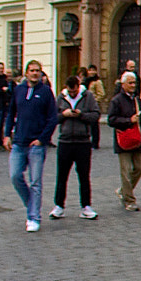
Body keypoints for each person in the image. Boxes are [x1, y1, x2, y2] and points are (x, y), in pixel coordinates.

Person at [4, 62, 58, 231]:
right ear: (26, 73)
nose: (35, 73)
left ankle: (33, 217)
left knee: (35, 182)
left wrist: (42, 139)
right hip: (19, 142)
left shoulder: (46, 92)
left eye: (37, 71)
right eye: (32, 71)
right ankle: (31, 205)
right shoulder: (18, 90)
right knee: (15, 176)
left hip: (36, 144)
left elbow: (52, 118)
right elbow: (11, 113)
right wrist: (7, 134)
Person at [50, 74, 99, 220]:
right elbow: (53, 117)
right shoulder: (61, 97)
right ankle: (59, 206)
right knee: (62, 176)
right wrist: (64, 115)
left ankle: (86, 206)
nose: (72, 94)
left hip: (83, 141)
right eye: (70, 91)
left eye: (75, 91)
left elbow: (96, 115)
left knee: (84, 176)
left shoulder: (88, 96)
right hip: (65, 141)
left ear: (79, 86)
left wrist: (81, 115)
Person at [110, 72, 141, 211]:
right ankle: (129, 200)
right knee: (125, 172)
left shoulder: (137, 100)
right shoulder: (116, 100)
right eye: (130, 83)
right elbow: (111, 120)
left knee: (139, 168)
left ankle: (124, 191)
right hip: (124, 141)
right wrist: (128, 121)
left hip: (137, 139)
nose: (133, 85)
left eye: (134, 83)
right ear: (123, 84)